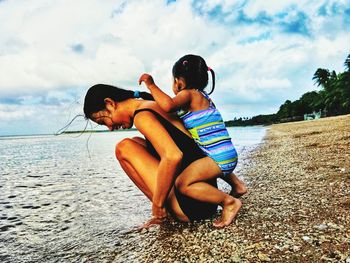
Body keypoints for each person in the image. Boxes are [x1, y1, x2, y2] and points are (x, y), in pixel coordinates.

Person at [83, 84, 242, 227]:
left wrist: (157, 205)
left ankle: (162, 212)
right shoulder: (154, 105)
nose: (110, 128)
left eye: (104, 122)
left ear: (110, 103)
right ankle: (167, 207)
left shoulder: (142, 115)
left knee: (123, 148)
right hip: (205, 201)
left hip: (191, 208)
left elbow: (173, 156)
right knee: (136, 142)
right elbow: (195, 146)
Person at [139, 54, 247, 198]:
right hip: (227, 154)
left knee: (183, 184)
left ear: (179, 82)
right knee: (205, 153)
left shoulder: (187, 95)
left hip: (218, 158)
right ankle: (237, 185)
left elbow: (168, 105)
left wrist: (151, 85)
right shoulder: (203, 97)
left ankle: (228, 202)